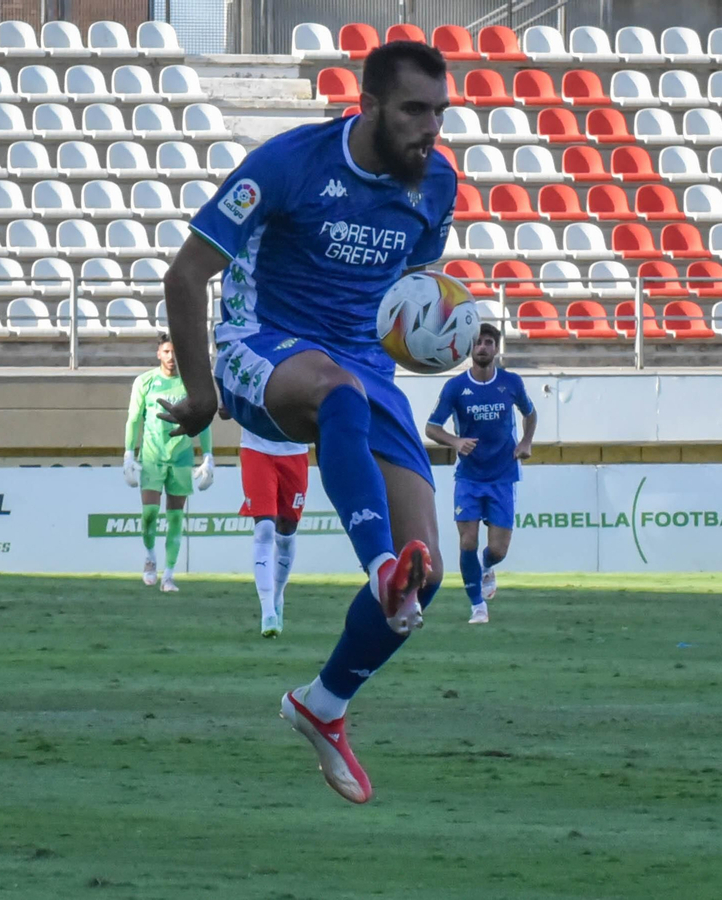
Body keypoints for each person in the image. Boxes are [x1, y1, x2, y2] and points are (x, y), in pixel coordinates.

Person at [156, 41, 455, 803]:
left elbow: (410, 289)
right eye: (416, 111)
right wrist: (199, 395)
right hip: (263, 347)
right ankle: (375, 565)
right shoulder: (289, 164)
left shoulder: (436, 187)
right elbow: (186, 273)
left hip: (364, 366)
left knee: (429, 573)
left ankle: (324, 705)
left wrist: (430, 333)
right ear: (370, 107)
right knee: (339, 398)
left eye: (440, 113)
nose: (431, 129)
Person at [424, 323, 536, 624]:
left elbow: (530, 413)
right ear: (469, 349)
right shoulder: (456, 387)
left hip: (503, 474)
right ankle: (477, 607)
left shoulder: (511, 382)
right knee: (467, 542)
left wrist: (525, 442)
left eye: (488, 342)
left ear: (496, 348)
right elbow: (431, 427)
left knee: (497, 549)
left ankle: (487, 566)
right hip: (469, 477)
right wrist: (455, 441)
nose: (483, 347)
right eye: (478, 343)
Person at [124, 334, 214, 592]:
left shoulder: (191, 385)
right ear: (158, 353)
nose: (171, 357)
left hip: (181, 458)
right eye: (166, 351)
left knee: (175, 518)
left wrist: (208, 455)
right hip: (152, 457)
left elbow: (203, 422)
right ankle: (150, 557)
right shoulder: (145, 382)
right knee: (149, 514)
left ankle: (169, 576)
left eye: (174, 352)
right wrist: (128, 454)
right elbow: (133, 419)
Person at [239, 424, 309, 638]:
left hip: (294, 452)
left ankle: (277, 596)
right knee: (264, 530)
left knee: (286, 533)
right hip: (255, 449)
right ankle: (267, 610)